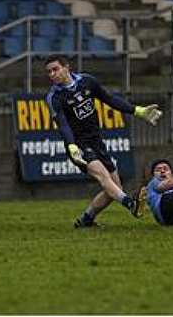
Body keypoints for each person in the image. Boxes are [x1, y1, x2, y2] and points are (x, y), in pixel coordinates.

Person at [44, 54, 163, 228]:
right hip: (79, 144)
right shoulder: (54, 97)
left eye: (55, 69)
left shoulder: (87, 81)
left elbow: (110, 99)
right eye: (49, 72)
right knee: (103, 177)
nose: (52, 74)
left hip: (96, 140)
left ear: (67, 67)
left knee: (114, 187)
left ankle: (86, 219)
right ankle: (131, 204)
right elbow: (63, 125)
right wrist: (72, 146)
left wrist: (137, 111)